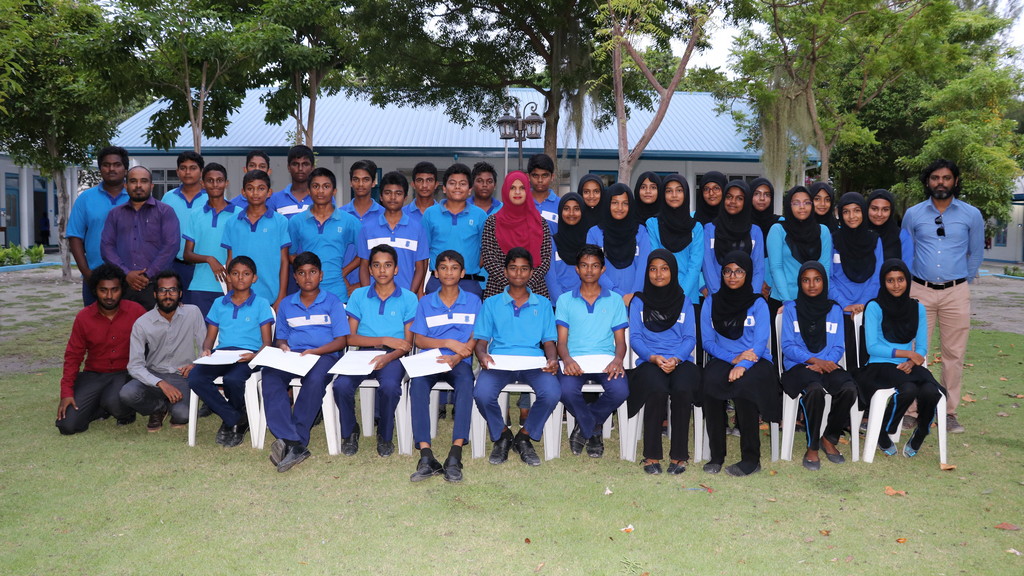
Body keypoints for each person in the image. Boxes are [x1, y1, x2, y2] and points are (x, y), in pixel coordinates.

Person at [902, 159, 984, 434]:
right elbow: (907, 252)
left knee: (954, 355)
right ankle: (911, 410)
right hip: (919, 291)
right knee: (915, 351)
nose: (941, 182)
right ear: (928, 182)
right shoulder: (913, 214)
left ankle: (948, 412)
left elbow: (976, 253)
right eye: (935, 177)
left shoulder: (971, 215)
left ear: (955, 181)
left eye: (946, 178)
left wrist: (961, 282)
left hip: (956, 293)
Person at [262, 252, 349, 472]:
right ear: (295, 277)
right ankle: (291, 440)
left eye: (312, 272)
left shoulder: (332, 302)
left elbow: (341, 341)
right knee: (270, 374)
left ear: (321, 275)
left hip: (325, 355)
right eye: (301, 273)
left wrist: (316, 351)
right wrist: (282, 345)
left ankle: (296, 439)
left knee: (315, 379)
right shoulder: (286, 304)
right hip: (294, 356)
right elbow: (281, 337)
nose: (307, 277)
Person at [473, 247, 560, 466]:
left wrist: (552, 359)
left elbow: (549, 342)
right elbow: (481, 341)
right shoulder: (491, 303)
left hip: (533, 362)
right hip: (499, 361)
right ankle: (502, 434)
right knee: (482, 393)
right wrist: (482, 355)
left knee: (552, 392)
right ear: (505, 272)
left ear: (531, 272)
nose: (518, 273)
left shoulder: (543, 304)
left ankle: (524, 436)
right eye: (513, 268)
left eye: (523, 269)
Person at [333, 244, 418, 457]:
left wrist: (388, 356)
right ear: (370, 269)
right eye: (377, 265)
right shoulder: (359, 295)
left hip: (394, 356)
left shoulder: (409, 298)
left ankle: (385, 434)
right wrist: (383, 339)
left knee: (389, 387)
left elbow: (407, 343)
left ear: (396, 269)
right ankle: (350, 431)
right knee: (341, 385)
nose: (382, 270)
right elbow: (349, 338)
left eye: (387, 265)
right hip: (362, 353)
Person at [700, 251, 778, 477]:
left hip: (756, 360)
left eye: (739, 271)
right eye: (728, 271)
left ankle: (751, 459)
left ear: (748, 274)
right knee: (710, 382)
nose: (732, 276)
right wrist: (732, 359)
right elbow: (707, 342)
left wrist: (742, 365)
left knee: (745, 387)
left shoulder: (758, 303)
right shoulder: (711, 302)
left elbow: (760, 343)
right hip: (725, 357)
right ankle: (716, 455)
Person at [408, 250, 481, 483]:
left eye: (454, 268)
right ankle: (426, 455)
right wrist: (447, 343)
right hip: (430, 359)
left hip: (459, 362)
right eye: (443, 268)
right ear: (436, 273)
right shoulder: (425, 302)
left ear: (462, 272)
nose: (449, 272)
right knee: (417, 385)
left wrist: (457, 357)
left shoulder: (473, 301)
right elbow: (419, 340)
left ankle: (455, 453)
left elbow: (476, 336)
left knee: (466, 383)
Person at [860, 259, 946, 457]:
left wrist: (912, 361)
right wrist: (907, 354)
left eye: (900, 279)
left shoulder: (917, 308)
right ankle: (882, 431)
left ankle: (922, 431)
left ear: (907, 280)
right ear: (883, 282)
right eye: (890, 280)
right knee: (908, 389)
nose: (896, 285)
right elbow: (872, 347)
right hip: (879, 365)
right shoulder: (874, 307)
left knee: (930, 391)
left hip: (908, 366)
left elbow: (922, 346)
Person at [188, 256, 274, 447]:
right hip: (221, 355)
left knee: (233, 380)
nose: (240, 278)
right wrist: (206, 350)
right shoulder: (219, 303)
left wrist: (255, 356)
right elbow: (210, 337)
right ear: (228, 277)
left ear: (254, 278)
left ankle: (232, 420)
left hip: (248, 355)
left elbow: (267, 342)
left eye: (246, 274)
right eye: (235, 273)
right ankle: (235, 418)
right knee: (195, 378)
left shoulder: (261, 303)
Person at [627, 249, 700, 474]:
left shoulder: (684, 301)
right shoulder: (639, 301)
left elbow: (690, 338)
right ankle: (651, 455)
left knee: (683, 389)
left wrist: (676, 359)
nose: (658, 274)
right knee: (656, 389)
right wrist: (653, 357)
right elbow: (635, 338)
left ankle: (679, 455)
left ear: (673, 271)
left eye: (664, 269)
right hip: (649, 361)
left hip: (680, 360)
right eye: (653, 269)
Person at [779, 262, 857, 470]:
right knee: (814, 391)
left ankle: (829, 438)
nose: (812, 285)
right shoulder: (791, 309)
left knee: (849, 389)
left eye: (817, 279)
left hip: (828, 364)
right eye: (806, 280)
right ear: (800, 283)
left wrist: (824, 363)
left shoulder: (834, 309)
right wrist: (815, 361)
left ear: (824, 282)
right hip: (799, 366)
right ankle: (812, 446)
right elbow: (788, 346)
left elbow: (839, 346)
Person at [556, 245, 629, 458]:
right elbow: (561, 342)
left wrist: (618, 359)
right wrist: (567, 359)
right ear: (577, 269)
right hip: (574, 360)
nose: (589, 270)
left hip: (606, 360)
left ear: (603, 269)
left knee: (620, 390)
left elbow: (621, 342)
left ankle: (585, 427)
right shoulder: (565, 300)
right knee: (565, 390)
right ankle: (593, 429)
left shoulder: (615, 300)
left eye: (595, 266)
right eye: (584, 266)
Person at [56, 264, 146, 435]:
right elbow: (73, 356)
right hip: (94, 375)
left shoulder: (136, 311)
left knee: (115, 403)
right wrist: (66, 393)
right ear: (95, 291)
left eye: (114, 290)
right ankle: (99, 406)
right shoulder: (84, 317)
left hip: (125, 374)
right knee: (67, 426)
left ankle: (119, 409)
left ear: (122, 289)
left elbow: (154, 344)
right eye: (103, 290)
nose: (109, 296)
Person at [120, 271, 205, 432]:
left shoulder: (193, 313)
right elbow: (134, 366)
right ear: (155, 294)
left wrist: (196, 365)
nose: (167, 295)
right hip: (153, 375)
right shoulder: (142, 323)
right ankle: (158, 408)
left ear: (180, 293)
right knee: (127, 393)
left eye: (172, 290)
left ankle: (172, 405)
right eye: (162, 291)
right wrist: (160, 383)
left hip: (182, 377)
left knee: (182, 415)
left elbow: (205, 348)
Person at [100, 166, 180, 310]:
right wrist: (127, 274)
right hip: (123, 285)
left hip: (155, 286)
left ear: (151, 185)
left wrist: (147, 275)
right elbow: (107, 247)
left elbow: (171, 246)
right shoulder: (115, 214)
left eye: (143, 181)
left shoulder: (165, 212)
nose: (138, 185)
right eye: (133, 181)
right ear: (126, 186)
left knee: (157, 324)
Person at [288, 167, 361, 303]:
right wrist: (306, 270)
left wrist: (343, 271)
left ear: (334, 191)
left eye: (326, 186)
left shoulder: (350, 221)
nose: (320, 191)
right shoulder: (296, 221)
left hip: (338, 292)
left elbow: (364, 254)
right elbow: (290, 254)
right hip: (308, 293)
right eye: (316, 186)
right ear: (309, 190)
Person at [68, 145, 129, 305]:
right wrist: (88, 274)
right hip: (96, 278)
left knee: (133, 320)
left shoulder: (137, 197)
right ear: (100, 169)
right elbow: (75, 237)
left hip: (131, 278)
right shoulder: (86, 198)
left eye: (117, 165)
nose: (111, 169)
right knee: (94, 320)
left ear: (125, 169)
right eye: (106, 165)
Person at [221, 170, 290, 309]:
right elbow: (230, 260)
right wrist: (230, 292)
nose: (255, 193)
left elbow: (284, 261)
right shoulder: (232, 222)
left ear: (269, 192)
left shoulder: (280, 221)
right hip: (239, 296)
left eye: (261, 188)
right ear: (243, 192)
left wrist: (281, 296)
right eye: (250, 188)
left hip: (271, 297)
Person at [831, 192, 883, 373]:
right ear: (840, 214)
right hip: (839, 310)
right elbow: (828, 277)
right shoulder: (833, 240)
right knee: (843, 361)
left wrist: (863, 305)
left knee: (865, 362)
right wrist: (845, 304)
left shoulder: (874, 240)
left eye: (856, 210)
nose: (851, 216)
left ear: (864, 212)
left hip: (867, 310)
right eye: (846, 211)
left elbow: (878, 277)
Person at [481, 170, 552, 298]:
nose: (517, 192)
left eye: (522, 188)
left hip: (534, 290)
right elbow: (489, 259)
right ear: (506, 191)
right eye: (512, 188)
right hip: (499, 290)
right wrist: (512, 286)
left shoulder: (540, 222)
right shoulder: (492, 222)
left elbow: (545, 260)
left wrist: (525, 285)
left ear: (527, 191)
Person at [356, 171, 429, 296]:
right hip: (375, 298)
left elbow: (420, 268)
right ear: (381, 196)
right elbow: (363, 266)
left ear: (405, 197)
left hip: (405, 297)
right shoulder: (367, 229)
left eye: (398, 193)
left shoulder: (417, 229)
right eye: (388, 193)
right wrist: (367, 296)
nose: (393, 197)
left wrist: (410, 296)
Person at [422, 163, 488, 296]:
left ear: (470, 190)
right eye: (452, 183)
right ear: (444, 188)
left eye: (462, 183)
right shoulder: (430, 214)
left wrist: (470, 266)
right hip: (437, 282)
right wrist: (420, 288)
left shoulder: (480, 215)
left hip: (469, 283)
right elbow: (423, 253)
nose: (457, 187)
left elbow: (485, 251)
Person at [183, 163, 238, 317]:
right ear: (203, 184)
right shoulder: (195, 215)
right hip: (200, 286)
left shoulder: (239, 214)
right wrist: (209, 259)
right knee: (202, 331)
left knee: (228, 330)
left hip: (232, 286)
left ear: (226, 183)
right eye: (210, 180)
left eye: (219, 180)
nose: (215, 184)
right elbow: (187, 254)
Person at [766, 185, 832, 304]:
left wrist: (822, 297)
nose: (802, 207)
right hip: (782, 300)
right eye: (796, 203)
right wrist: (787, 301)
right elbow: (776, 268)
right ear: (788, 205)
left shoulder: (823, 231)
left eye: (807, 202)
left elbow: (825, 268)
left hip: (813, 299)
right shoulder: (778, 230)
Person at [585, 182, 650, 302]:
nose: (620, 208)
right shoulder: (594, 233)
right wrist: (619, 294)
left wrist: (634, 296)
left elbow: (644, 267)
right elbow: (594, 268)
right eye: (615, 202)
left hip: (635, 300)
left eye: (625, 203)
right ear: (607, 204)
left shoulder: (640, 231)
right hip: (604, 299)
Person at [701, 180, 765, 297]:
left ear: (746, 202)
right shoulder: (710, 230)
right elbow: (707, 266)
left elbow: (758, 269)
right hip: (717, 296)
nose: (733, 202)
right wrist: (717, 295)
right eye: (729, 197)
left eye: (739, 198)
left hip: (747, 297)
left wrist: (752, 297)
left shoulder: (755, 232)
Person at [646, 174, 704, 300]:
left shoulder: (696, 227)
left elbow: (695, 266)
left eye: (679, 190)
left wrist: (680, 295)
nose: (674, 195)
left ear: (686, 194)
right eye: (669, 191)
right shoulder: (653, 224)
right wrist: (668, 294)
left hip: (688, 297)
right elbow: (655, 259)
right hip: (660, 293)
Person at [162, 151, 207, 298]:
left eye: (193, 168)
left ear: (201, 171)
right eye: (183, 168)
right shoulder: (168, 198)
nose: (188, 172)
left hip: (203, 267)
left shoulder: (212, 198)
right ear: (177, 171)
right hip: (174, 265)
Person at [340, 159, 384, 290]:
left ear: (374, 182)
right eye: (356, 179)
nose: (360, 184)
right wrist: (342, 279)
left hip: (374, 286)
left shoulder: (384, 216)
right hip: (341, 284)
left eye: (366, 179)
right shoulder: (339, 215)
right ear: (350, 182)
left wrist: (361, 285)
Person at [545, 192, 588, 301]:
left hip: (586, 302)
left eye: (576, 209)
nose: (571, 213)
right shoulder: (552, 242)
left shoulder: (590, 240)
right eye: (566, 209)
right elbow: (551, 278)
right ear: (560, 211)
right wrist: (563, 304)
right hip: (559, 303)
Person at [866, 189, 914, 267]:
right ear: (867, 209)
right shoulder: (858, 234)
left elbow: (906, 269)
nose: (879, 214)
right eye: (874, 209)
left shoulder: (902, 236)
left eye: (885, 210)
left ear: (891, 211)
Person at [266, 145, 315, 218]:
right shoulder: (274, 200)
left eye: (305, 164)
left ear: (312, 168)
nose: (300, 168)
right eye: (295, 164)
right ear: (288, 167)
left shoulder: (323, 198)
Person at [750, 177, 780, 299]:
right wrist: (758, 283)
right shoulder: (741, 224)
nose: (762, 198)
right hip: (748, 284)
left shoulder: (780, 224)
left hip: (776, 288)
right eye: (757, 194)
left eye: (767, 194)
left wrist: (771, 284)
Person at [527, 153, 560, 232]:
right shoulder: (521, 202)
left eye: (545, 175)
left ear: (552, 177)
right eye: (535, 175)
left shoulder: (561, 205)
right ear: (528, 177)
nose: (540, 180)